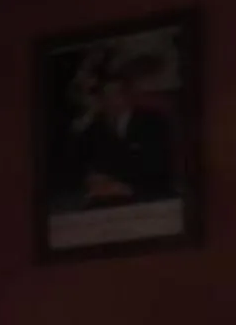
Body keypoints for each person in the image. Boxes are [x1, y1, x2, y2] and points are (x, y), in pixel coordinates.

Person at [64, 45, 178, 207]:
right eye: (106, 95)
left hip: (150, 195)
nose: (111, 101)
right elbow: (80, 164)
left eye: (115, 94)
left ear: (127, 95)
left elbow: (159, 167)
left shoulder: (151, 122)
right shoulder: (95, 128)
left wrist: (126, 187)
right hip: (108, 199)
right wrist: (95, 180)